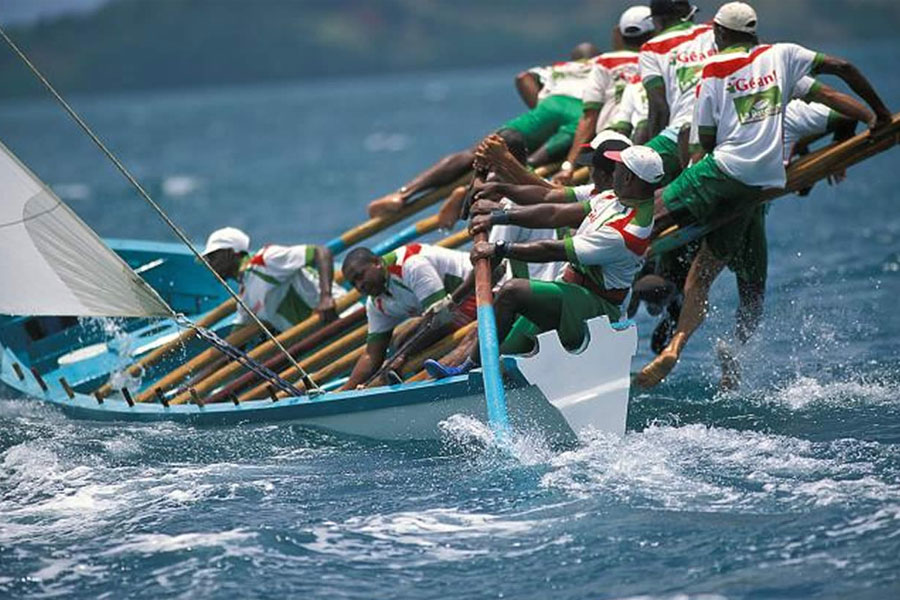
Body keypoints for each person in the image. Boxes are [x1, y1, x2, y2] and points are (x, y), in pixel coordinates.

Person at [635, 2, 892, 389]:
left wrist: (689, 180)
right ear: (754, 33)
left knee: (647, 222)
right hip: (758, 192)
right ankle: (689, 345)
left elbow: (701, 141)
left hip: (719, 173)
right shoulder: (784, 59)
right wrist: (877, 117)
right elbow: (840, 89)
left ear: (719, 34)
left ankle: (620, 292)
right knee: (742, 289)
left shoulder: (714, 69)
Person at [424, 145, 665, 377]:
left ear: (628, 178)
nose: (614, 171)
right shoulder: (612, 198)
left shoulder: (628, 232)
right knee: (506, 352)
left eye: (619, 167)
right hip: (570, 293)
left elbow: (553, 250)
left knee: (512, 292)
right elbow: (554, 213)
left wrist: (499, 248)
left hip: (596, 308)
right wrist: (498, 216)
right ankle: (476, 376)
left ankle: (470, 366)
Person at [367, 43, 599, 218]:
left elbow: (523, 78)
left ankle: (403, 194)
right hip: (580, 112)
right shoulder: (603, 66)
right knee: (522, 165)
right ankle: (467, 195)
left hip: (549, 105)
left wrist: (539, 109)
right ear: (597, 56)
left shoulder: (559, 68)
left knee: (478, 152)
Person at [340, 243, 476, 389]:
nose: (359, 286)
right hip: (450, 310)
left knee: (407, 348)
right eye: (354, 283)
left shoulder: (411, 265)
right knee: (401, 342)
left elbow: (441, 320)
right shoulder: (375, 303)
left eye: (360, 276)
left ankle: (437, 381)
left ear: (377, 263)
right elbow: (372, 355)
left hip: (476, 290)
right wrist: (344, 391)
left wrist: (402, 355)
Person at [554, 5, 656, 184]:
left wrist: (569, 165)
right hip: (648, 145)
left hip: (607, 144)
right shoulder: (658, 59)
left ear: (620, 34)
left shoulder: (604, 63)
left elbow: (589, 117)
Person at [201, 227, 341, 333]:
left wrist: (326, 297)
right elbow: (238, 334)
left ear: (230, 252)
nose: (210, 264)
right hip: (322, 334)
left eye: (212, 257)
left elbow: (321, 252)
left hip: (342, 314)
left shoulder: (266, 259)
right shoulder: (245, 297)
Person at [640, 0, 717, 183]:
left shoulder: (651, 48)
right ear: (689, 13)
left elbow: (659, 107)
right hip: (723, 126)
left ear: (657, 21)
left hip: (680, 132)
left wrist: (651, 156)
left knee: (629, 170)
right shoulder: (713, 33)